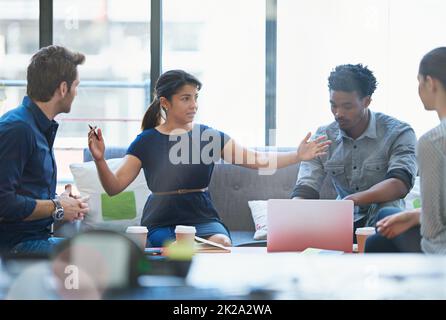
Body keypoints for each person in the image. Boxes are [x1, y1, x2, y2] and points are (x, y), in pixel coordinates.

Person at [88, 69, 331, 247]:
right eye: (185, 98)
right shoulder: (146, 140)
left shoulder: (209, 136)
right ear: (165, 102)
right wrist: (99, 159)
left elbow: (257, 160)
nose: (194, 105)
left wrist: (298, 156)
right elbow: (114, 187)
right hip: (162, 220)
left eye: (195, 97)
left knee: (222, 243)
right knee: (178, 250)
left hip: (201, 216)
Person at [291, 64, 418, 232]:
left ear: (366, 101)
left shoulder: (399, 132)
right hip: (343, 218)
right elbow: (306, 187)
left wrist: (354, 200)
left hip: (384, 218)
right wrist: (292, 214)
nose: (338, 113)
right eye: (333, 105)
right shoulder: (323, 137)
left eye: (347, 106)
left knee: (388, 210)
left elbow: (400, 184)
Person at [0, 45, 89, 255]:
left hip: (34, 239)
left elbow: (23, 191)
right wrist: (57, 206)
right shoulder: (18, 129)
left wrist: (63, 203)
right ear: (63, 88)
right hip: (15, 246)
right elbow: (3, 202)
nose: (76, 93)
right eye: (76, 86)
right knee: (97, 258)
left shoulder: (36, 127)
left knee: (102, 251)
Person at [366, 47, 446, 254]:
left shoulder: (433, 142)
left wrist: (416, 217)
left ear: (431, 83)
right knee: (384, 224)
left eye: (419, 81)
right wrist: (412, 215)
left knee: (380, 230)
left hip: (440, 253)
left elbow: (433, 227)